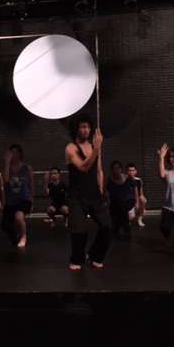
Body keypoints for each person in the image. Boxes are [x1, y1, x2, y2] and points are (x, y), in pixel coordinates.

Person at [65, 113, 113, 270]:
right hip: (77, 196)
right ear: (76, 129)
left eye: (88, 127)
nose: (86, 130)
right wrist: (97, 148)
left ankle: (95, 255)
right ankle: (76, 259)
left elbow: (99, 172)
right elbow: (84, 167)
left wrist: (100, 192)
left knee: (107, 227)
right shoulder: (71, 148)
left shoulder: (94, 148)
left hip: (94, 195)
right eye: (82, 127)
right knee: (79, 232)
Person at [1, 144, 34, 247]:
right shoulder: (7, 168)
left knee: (18, 217)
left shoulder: (27, 168)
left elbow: (31, 186)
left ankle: (23, 236)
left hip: (24, 198)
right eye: (11, 153)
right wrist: (7, 162)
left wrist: (32, 201)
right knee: (5, 225)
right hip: (11, 200)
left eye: (15, 152)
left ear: (20, 154)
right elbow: (5, 180)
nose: (13, 155)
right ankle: (14, 236)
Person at [105, 160, 139, 237]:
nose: (116, 170)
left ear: (121, 169)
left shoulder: (127, 178)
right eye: (114, 169)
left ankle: (126, 230)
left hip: (128, 200)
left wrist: (137, 202)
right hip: (115, 202)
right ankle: (117, 226)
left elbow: (135, 188)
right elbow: (107, 192)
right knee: (114, 215)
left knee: (122, 208)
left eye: (118, 168)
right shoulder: (110, 180)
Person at [126, 162, 147, 227]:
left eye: (133, 171)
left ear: (135, 171)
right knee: (131, 217)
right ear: (126, 171)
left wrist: (143, 207)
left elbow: (141, 193)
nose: (131, 172)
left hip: (136, 201)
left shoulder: (139, 180)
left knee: (143, 199)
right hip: (128, 202)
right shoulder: (124, 180)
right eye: (129, 171)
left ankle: (139, 220)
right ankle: (126, 219)